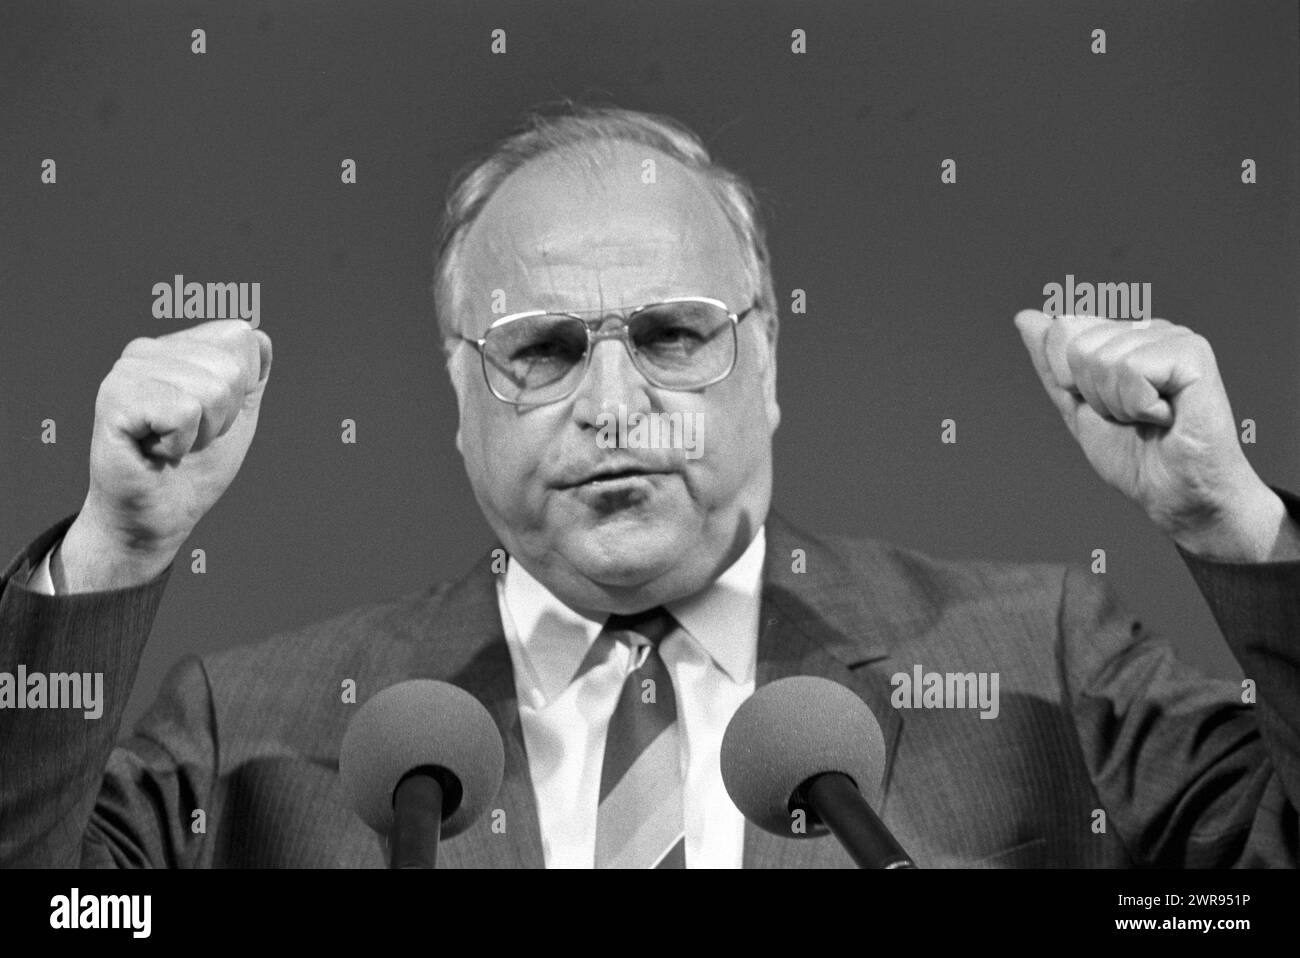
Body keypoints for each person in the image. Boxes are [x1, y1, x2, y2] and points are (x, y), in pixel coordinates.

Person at [2, 104, 1298, 868]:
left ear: (768, 359)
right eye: (545, 350)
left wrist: (1236, 526)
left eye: (673, 336)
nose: (615, 408)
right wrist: (113, 552)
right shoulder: (252, 728)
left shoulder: (1042, 657)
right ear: (460, 396)